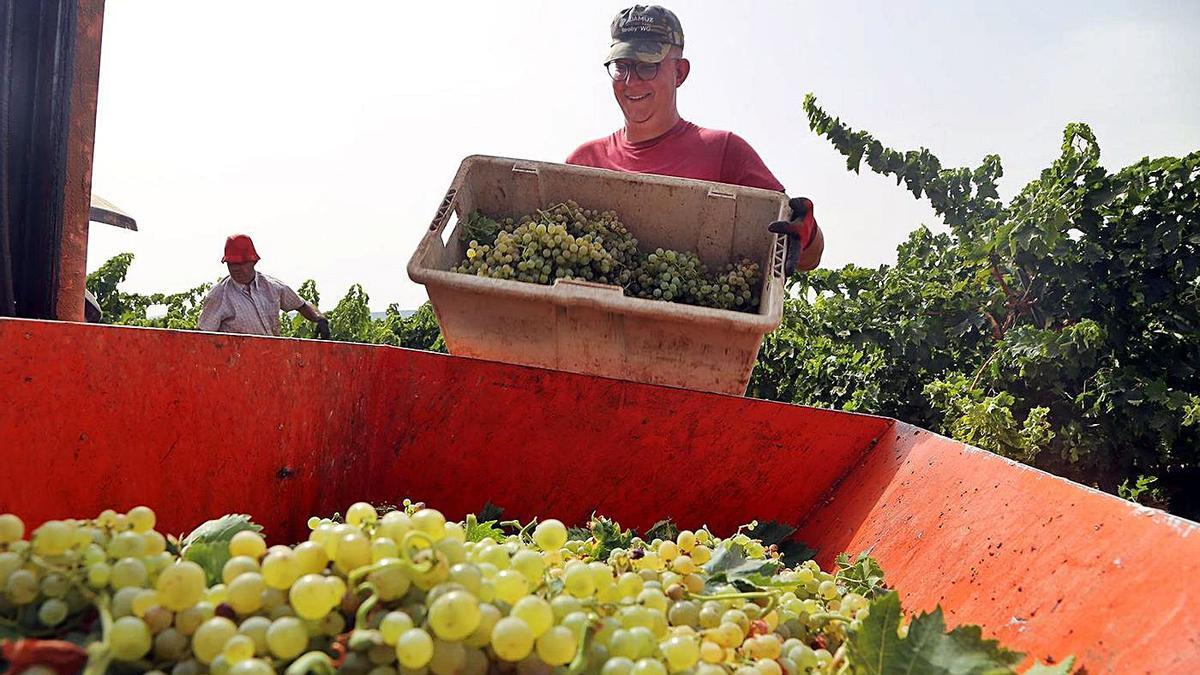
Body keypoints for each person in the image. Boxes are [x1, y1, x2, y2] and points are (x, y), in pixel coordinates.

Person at [566, 5, 824, 275]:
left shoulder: (725, 152)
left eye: (646, 67)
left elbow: (807, 258)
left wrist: (808, 232)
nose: (631, 81)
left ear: (680, 73)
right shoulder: (584, 162)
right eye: (621, 67)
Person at [196, 234, 330, 338]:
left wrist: (319, 319)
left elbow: (301, 304)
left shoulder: (273, 288)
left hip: (272, 361)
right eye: (232, 264)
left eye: (241, 263)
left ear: (253, 261)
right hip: (235, 366)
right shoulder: (218, 296)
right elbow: (200, 337)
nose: (236, 269)